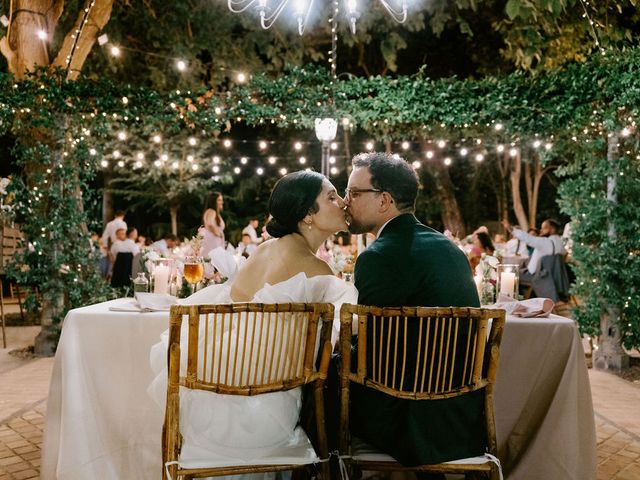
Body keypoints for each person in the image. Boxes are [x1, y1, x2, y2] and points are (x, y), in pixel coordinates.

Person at [148, 171, 357, 470]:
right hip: (267, 415)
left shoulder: (264, 250)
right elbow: (339, 334)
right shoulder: (318, 271)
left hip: (208, 400)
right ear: (307, 215)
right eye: (332, 197)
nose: (343, 203)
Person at [344, 152, 483, 467]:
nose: (345, 200)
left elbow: (373, 351)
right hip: (461, 418)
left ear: (384, 201)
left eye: (353, 192)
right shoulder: (450, 249)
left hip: (408, 421)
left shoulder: (378, 256)